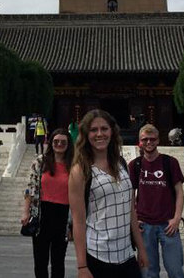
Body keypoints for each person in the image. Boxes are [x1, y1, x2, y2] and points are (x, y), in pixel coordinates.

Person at [68, 109, 148, 278]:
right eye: (93, 130)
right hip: (98, 255)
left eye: (104, 129)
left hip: (126, 254)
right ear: (85, 134)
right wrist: (82, 266)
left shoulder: (121, 163)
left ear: (112, 131)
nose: (99, 134)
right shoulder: (80, 171)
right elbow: (78, 221)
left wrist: (141, 248)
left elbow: (130, 210)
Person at [129, 124, 184, 278]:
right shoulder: (135, 165)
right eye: (145, 139)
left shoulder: (170, 162)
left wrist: (176, 218)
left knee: (175, 270)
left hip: (168, 225)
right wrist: (134, 221)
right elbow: (129, 196)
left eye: (152, 139)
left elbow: (179, 192)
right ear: (140, 141)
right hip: (144, 225)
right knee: (148, 271)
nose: (149, 142)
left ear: (158, 140)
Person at [22, 128, 75, 278]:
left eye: (63, 142)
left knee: (58, 262)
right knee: (40, 262)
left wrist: (73, 223)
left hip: (63, 215)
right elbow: (30, 188)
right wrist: (25, 211)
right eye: (56, 141)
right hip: (42, 215)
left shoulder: (73, 165)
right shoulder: (40, 161)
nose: (59, 144)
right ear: (50, 143)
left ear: (68, 144)